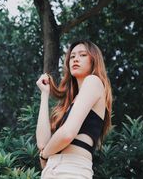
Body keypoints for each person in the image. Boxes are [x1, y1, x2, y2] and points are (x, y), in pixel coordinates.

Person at [36, 40, 113, 179]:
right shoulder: (72, 102)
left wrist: (44, 154)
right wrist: (44, 94)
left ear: (94, 60)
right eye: (72, 56)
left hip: (71, 170)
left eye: (83, 55)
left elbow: (67, 134)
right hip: (53, 171)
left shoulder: (93, 81)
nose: (76, 59)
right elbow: (42, 144)